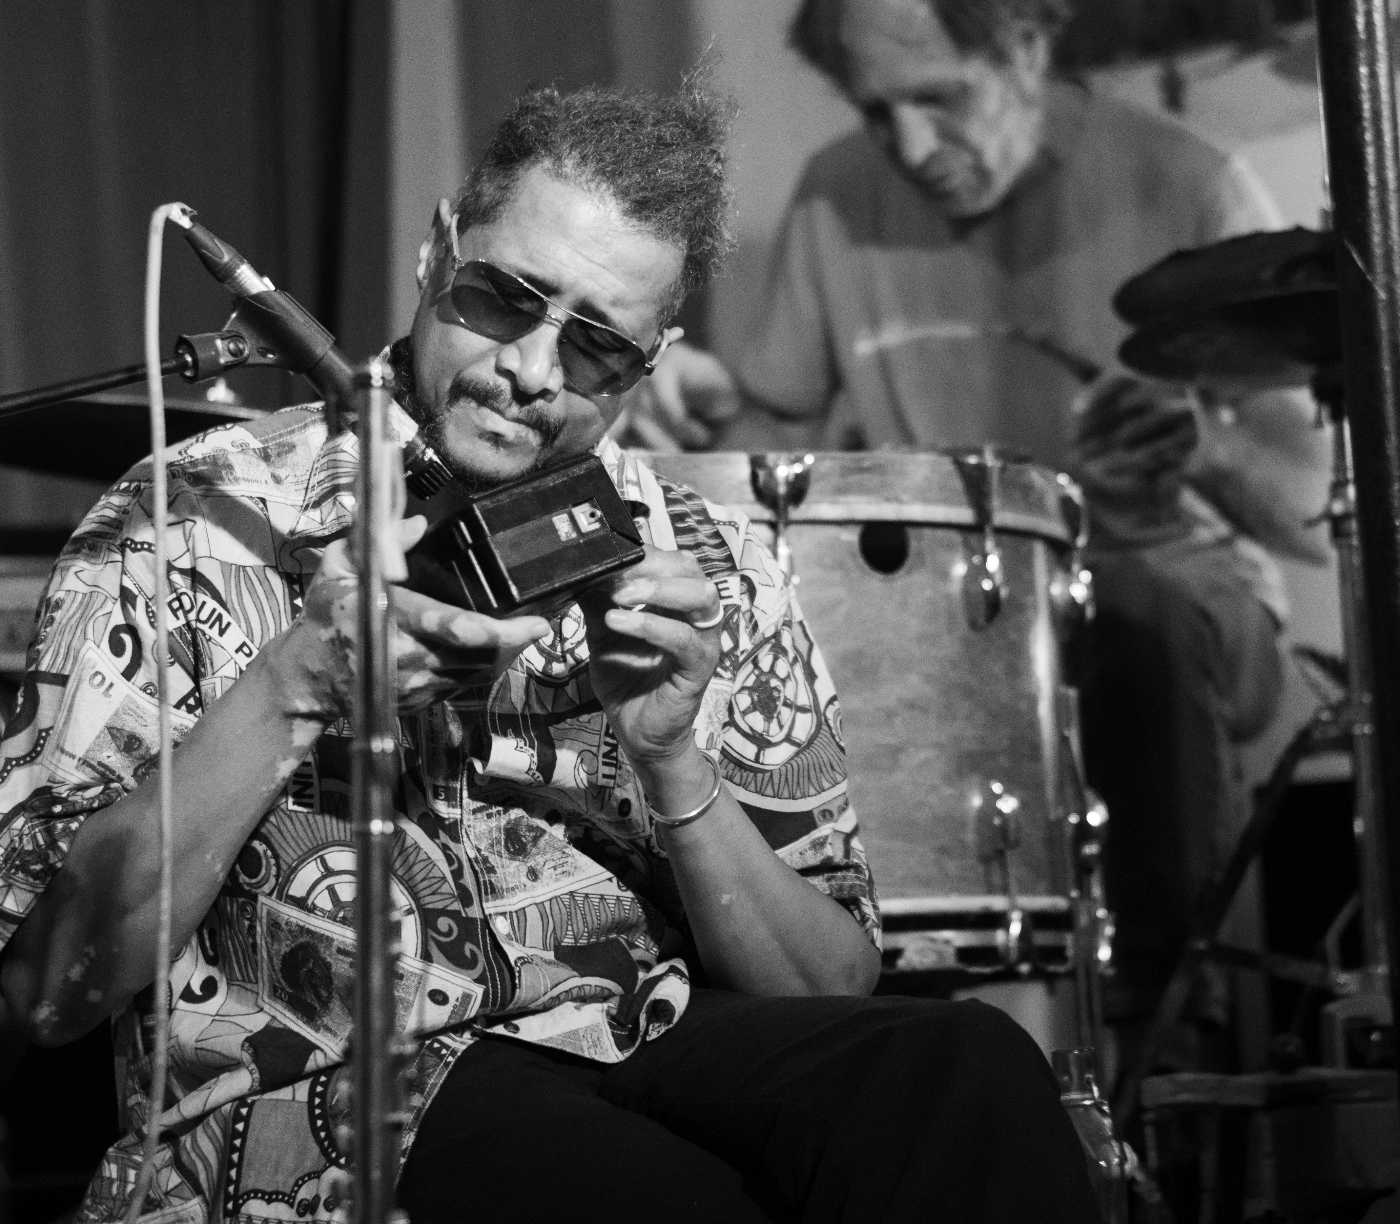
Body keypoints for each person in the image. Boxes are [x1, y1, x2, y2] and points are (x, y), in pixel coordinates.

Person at [0, 79, 1098, 1223]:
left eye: (595, 346)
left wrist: (671, 759)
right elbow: (45, 986)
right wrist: (294, 683)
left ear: (651, 359)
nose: (530, 368)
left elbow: (828, 980)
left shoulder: (709, 559)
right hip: (337, 1086)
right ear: (437, 249)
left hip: (641, 1027)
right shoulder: (193, 520)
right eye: (502, 298)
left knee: (964, 1069)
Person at [630, 0, 1330, 1072]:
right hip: (943, 611)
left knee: (1132, 617)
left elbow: (1313, 508)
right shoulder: (837, 197)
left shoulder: (1181, 181)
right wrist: (698, 411)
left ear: (1026, 46)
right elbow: (773, 433)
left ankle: (1163, 1050)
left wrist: (1202, 443)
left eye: (938, 98)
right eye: (875, 108)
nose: (907, 147)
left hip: (1166, 588)